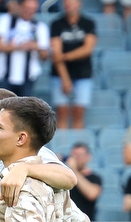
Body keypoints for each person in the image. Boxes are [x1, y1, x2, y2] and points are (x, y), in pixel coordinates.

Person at [50, 0, 95, 131]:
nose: (69, 6)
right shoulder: (57, 24)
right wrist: (65, 79)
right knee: (62, 111)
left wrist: (65, 56)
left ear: (79, 4)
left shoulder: (88, 23)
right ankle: (62, 145)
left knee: (79, 111)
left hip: (83, 73)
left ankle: (78, 145)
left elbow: (87, 49)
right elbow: (55, 51)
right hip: (60, 73)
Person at [0, 0, 49, 98]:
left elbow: (44, 56)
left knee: (24, 111)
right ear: (20, 6)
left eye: (32, 9)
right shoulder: (5, 20)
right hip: (4, 75)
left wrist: (36, 47)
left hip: (28, 76)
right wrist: (18, 46)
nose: (29, 12)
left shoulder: (40, 27)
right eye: (27, 9)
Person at [66, 142, 101, 221]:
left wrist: (74, 170)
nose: (76, 158)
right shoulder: (66, 177)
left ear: (88, 157)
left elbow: (92, 194)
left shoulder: (94, 178)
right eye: (73, 155)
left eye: (79, 155)